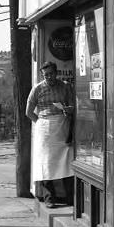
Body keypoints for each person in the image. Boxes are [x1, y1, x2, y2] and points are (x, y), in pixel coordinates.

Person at [26, 61, 75, 207]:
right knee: (46, 162)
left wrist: (68, 109)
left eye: (51, 74)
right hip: (45, 127)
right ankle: (49, 198)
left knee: (66, 161)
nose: (49, 77)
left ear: (56, 73)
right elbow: (28, 112)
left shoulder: (65, 87)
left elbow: (72, 106)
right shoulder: (37, 89)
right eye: (46, 75)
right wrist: (41, 123)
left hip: (62, 126)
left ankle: (70, 198)